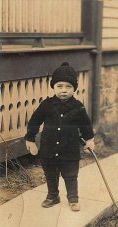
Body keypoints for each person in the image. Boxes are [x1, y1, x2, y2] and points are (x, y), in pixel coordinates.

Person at [25, 62, 94, 211]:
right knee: (50, 174)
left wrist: (89, 140)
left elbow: (86, 125)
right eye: (60, 86)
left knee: (70, 175)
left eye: (68, 87)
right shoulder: (46, 105)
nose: (64, 90)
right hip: (48, 149)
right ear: (53, 87)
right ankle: (53, 195)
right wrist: (30, 139)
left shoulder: (78, 107)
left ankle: (73, 199)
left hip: (69, 150)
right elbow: (34, 121)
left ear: (74, 88)